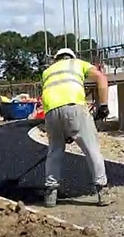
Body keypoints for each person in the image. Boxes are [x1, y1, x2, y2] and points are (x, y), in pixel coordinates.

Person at [41, 48, 111, 208]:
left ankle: (51, 195)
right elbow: (101, 77)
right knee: (91, 149)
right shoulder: (77, 64)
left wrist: (64, 130)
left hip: (51, 113)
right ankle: (102, 190)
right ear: (71, 57)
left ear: (56, 59)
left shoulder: (47, 72)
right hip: (75, 107)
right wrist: (104, 105)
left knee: (55, 151)